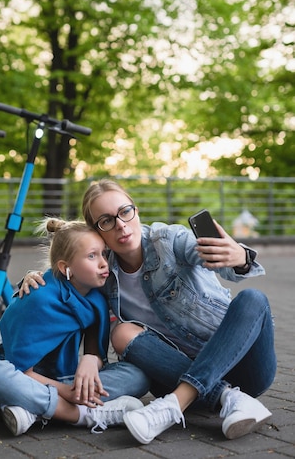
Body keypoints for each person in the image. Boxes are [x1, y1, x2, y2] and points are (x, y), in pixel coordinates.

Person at [21, 179, 276, 444]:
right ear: (98, 232)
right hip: (173, 374)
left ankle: (175, 405)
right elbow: (67, 276)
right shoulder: (102, 270)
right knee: (121, 334)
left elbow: (214, 258)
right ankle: (229, 398)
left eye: (125, 211)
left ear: (136, 209)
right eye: (107, 221)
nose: (120, 224)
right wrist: (32, 278)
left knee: (253, 299)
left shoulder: (169, 240)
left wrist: (241, 258)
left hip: (242, 366)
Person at [0, 217, 150, 438]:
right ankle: (83, 415)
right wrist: (65, 392)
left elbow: (96, 354)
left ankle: (31, 412)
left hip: (58, 379)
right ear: (66, 268)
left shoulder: (95, 299)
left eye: (103, 253)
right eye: (92, 256)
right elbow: (21, 371)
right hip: (14, 379)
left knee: (138, 375)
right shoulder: (39, 298)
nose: (104, 263)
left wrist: (90, 361)